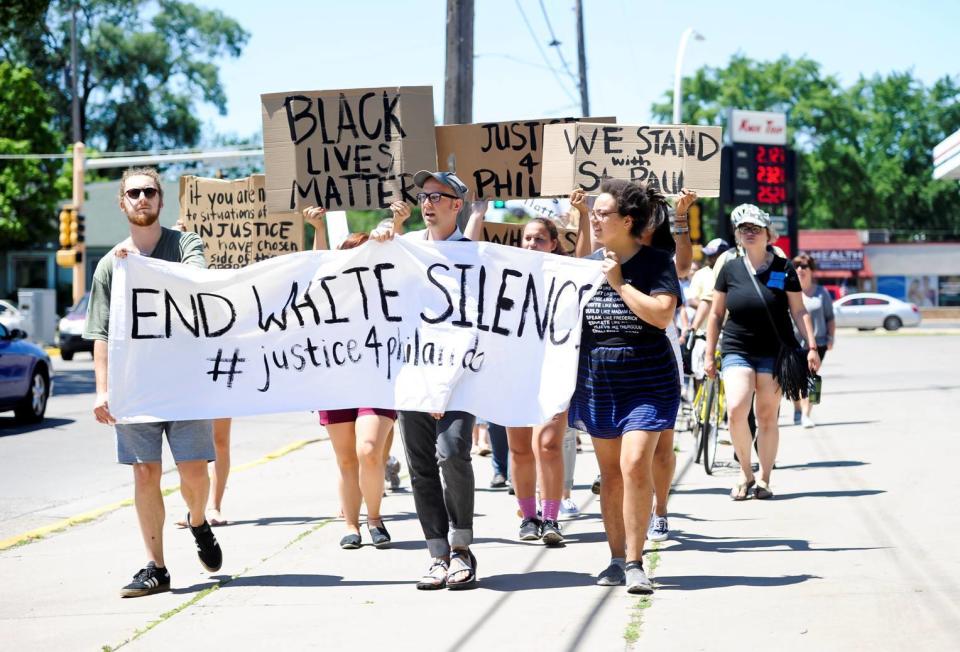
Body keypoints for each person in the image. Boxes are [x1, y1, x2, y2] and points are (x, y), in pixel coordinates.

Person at [84, 167, 221, 597]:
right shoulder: (110, 266)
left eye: (149, 192)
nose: (142, 198)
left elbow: (197, 284)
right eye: (133, 193)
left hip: (184, 383)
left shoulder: (186, 245)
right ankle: (156, 567)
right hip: (135, 387)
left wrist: (144, 269)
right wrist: (102, 389)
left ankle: (198, 521)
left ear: (161, 201)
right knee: (145, 474)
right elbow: (101, 335)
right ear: (122, 203)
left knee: (194, 473)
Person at [568, 179, 681, 594]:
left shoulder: (656, 263)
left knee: (635, 465)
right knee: (610, 476)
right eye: (594, 214)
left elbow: (661, 315)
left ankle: (636, 562)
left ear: (627, 220)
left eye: (602, 213)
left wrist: (619, 281)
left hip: (648, 379)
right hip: (599, 381)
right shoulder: (588, 263)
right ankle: (616, 558)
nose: (596, 220)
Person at [370, 170, 479, 590]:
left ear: (457, 205)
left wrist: (446, 383)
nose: (428, 202)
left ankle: (463, 548)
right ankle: (437, 553)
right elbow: (365, 270)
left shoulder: (476, 256)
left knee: (451, 452)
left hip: (459, 378)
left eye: (438, 196)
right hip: (412, 373)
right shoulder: (407, 247)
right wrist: (387, 230)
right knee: (419, 466)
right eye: (424, 195)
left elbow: (478, 324)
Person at [704, 205, 820, 501]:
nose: (749, 232)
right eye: (744, 228)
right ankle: (745, 473)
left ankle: (765, 479)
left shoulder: (783, 269)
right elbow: (716, 314)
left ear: (769, 234)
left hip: (774, 350)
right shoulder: (729, 267)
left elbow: (798, 309)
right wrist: (708, 353)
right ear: (737, 235)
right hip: (736, 348)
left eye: (755, 228)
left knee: (767, 416)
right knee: (735, 410)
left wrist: (812, 346)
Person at [303, 210, 399, 549]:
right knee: (345, 459)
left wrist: (395, 227)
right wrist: (317, 228)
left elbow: (399, 263)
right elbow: (317, 270)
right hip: (336, 381)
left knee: (369, 450)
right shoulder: (328, 297)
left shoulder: (388, 295)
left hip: (376, 381)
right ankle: (351, 525)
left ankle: (374, 519)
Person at [505, 218, 572, 545]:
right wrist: (476, 215)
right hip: (513, 372)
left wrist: (584, 216)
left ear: (554, 243)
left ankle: (551, 518)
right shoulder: (505, 277)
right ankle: (527, 516)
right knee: (519, 449)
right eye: (527, 239)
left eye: (540, 239)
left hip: (554, 371)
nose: (532, 244)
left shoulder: (565, 275)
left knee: (547, 445)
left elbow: (587, 260)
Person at [791, 252, 835, 428]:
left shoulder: (821, 293)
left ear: (811, 270)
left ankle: (806, 415)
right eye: (797, 266)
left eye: (804, 266)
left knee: (811, 378)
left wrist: (831, 337)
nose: (800, 269)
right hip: (793, 343)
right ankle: (797, 409)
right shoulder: (790, 292)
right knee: (794, 380)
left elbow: (830, 318)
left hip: (818, 344)